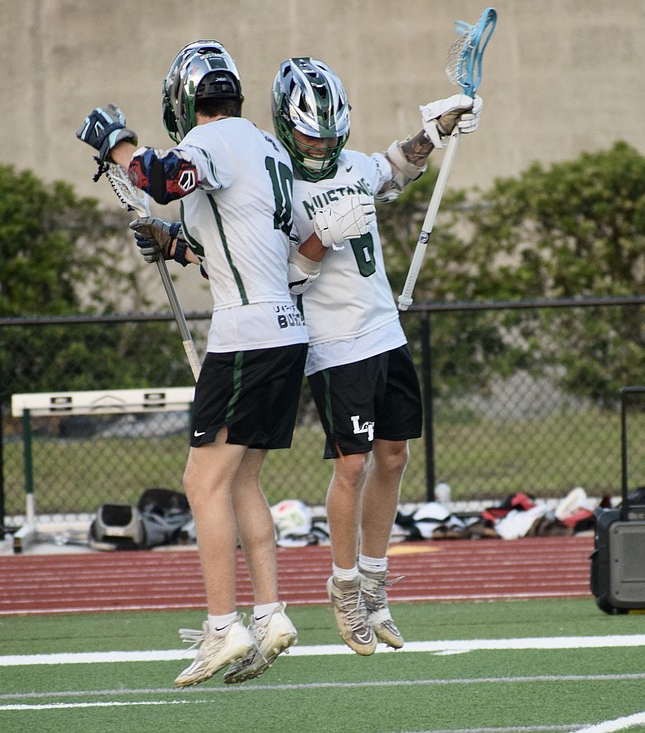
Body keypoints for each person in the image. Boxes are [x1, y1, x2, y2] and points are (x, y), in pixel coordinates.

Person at [76, 42, 374, 686]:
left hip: (243, 337)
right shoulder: (267, 149)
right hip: (285, 332)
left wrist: (118, 144)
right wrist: (176, 245)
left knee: (201, 482)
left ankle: (222, 625)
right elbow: (261, 248)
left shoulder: (216, 143)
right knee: (241, 482)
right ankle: (270, 614)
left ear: (186, 100)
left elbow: (158, 178)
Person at [271, 57, 482, 654]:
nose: (323, 143)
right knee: (352, 465)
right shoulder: (279, 186)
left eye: (331, 131)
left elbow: (392, 169)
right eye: (312, 133)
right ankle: (343, 587)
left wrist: (437, 129)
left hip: (384, 330)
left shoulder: (350, 163)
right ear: (288, 128)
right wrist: (320, 239)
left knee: (394, 456)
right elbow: (279, 277)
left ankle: (373, 581)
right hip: (336, 344)